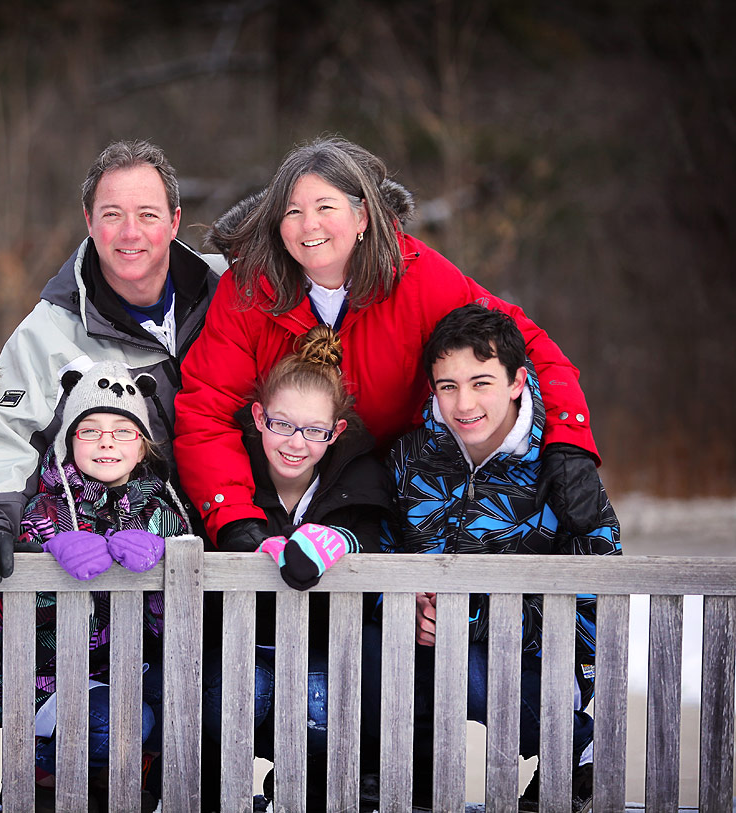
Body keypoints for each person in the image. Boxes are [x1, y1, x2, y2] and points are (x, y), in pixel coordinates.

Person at [174, 136, 607, 555]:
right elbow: (206, 409)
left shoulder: (417, 276)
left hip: (397, 495)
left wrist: (568, 442)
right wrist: (233, 518)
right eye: (293, 212)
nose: (310, 225)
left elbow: (524, 345)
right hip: (277, 490)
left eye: (326, 207)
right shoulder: (249, 290)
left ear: (362, 218)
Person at [361, 304, 620, 810]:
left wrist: (472, 617)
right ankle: (399, 779)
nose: (464, 403)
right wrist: (400, 606)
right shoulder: (407, 458)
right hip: (415, 657)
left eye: (482, 382)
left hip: (525, 664)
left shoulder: (560, 465)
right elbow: (371, 555)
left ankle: (569, 756)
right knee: (378, 652)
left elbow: (595, 603)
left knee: (474, 667)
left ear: (518, 381)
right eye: (448, 386)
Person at [0, 139, 226, 585]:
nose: (130, 232)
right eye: (112, 214)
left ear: (175, 222)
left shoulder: (232, 293)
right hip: (123, 566)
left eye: (148, 214)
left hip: (240, 544)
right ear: (89, 221)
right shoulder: (49, 332)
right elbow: (10, 434)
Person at [0, 361, 190, 811]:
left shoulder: (164, 510)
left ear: (143, 444)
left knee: (181, 704)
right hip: (51, 678)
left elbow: (182, 615)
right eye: (90, 430)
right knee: (118, 721)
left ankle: (129, 784)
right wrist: (49, 563)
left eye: (122, 431)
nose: (107, 442)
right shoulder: (43, 510)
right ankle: (41, 773)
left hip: (134, 671)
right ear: (69, 441)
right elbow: (3, 603)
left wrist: (162, 562)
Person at [200, 324, 392, 809]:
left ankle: (302, 794)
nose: (295, 443)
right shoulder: (231, 468)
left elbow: (372, 535)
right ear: (260, 417)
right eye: (282, 425)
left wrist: (339, 541)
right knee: (242, 692)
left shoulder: (358, 474)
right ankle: (214, 793)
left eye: (314, 431)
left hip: (322, 648)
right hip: (240, 643)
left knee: (321, 702)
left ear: (336, 432)